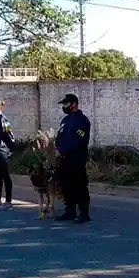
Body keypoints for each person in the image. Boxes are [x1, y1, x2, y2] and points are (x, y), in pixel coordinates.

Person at [54, 93, 92, 224]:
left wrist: (63, 150)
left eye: (66, 104)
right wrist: (57, 148)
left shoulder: (82, 121)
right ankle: (69, 211)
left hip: (77, 158)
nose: (64, 106)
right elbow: (60, 137)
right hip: (64, 159)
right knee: (66, 186)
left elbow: (77, 141)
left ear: (74, 104)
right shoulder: (65, 120)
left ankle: (84, 213)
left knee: (79, 185)